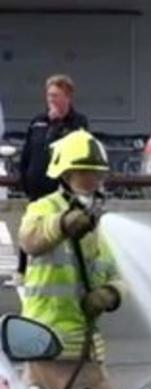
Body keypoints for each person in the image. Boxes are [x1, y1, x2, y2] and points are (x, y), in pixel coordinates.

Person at [19, 129, 125, 389]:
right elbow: (30, 239)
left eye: (97, 172)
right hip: (63, 352)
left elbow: (114, 274)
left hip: (47, 352)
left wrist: (110, 294)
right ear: (65, 174)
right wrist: (64, 223)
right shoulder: (43, 209)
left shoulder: (94, 224)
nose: (93, 179)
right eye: (85, 171)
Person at [17, 75, 89, 286]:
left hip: (60, 189)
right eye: (49, 95)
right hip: (36, 188)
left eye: (56, 95)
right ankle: (23, 270)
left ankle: (68, 270)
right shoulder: (38, 121)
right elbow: (28, 152)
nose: (51, 100)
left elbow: (77, 151)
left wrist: (57, 124)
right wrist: (24, 179)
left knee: (59, 228)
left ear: (68, 97)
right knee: (30, 227)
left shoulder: (78, 123)